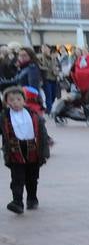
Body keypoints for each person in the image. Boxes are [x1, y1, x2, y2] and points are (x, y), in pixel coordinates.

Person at [2, 85, 50, 213]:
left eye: (18, 99)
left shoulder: (34, 115)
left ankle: (32, 199)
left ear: (24, 100)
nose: (15, 103)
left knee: (32, 178)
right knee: (17, 179)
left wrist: (45, 152)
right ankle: (17, 202)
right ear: (7, 102)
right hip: (14, 153)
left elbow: (43, 134)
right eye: (11, 100)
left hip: (33, 151)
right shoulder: (4, 117)